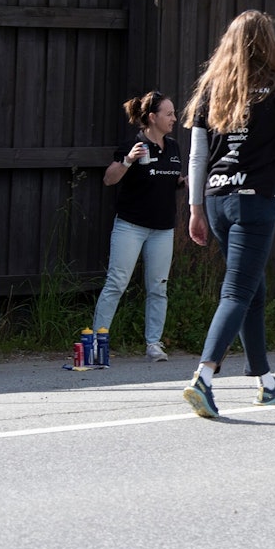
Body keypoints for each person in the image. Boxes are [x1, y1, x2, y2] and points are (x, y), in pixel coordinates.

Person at [180, 9, 275, 418]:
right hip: (254, 203)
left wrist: (195, 208)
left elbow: (198, 155)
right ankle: (204, 376)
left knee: (253, 290)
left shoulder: (210, 90)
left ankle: (266, 381)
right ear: (267, 43)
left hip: (217, 201)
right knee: (237, 291)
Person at [91, 91, 184, 362]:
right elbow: (109, 179)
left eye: (174, 113)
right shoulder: (134, 144)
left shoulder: (174, 147)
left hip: (163, 228)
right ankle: (98, 342)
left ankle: (154, 344)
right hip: (131, 226)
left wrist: (182, 181)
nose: (174, 119)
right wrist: (127, 160)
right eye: (169, 114)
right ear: (152, 117)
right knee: (116, 283)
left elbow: (169, 176)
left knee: (158, 287)